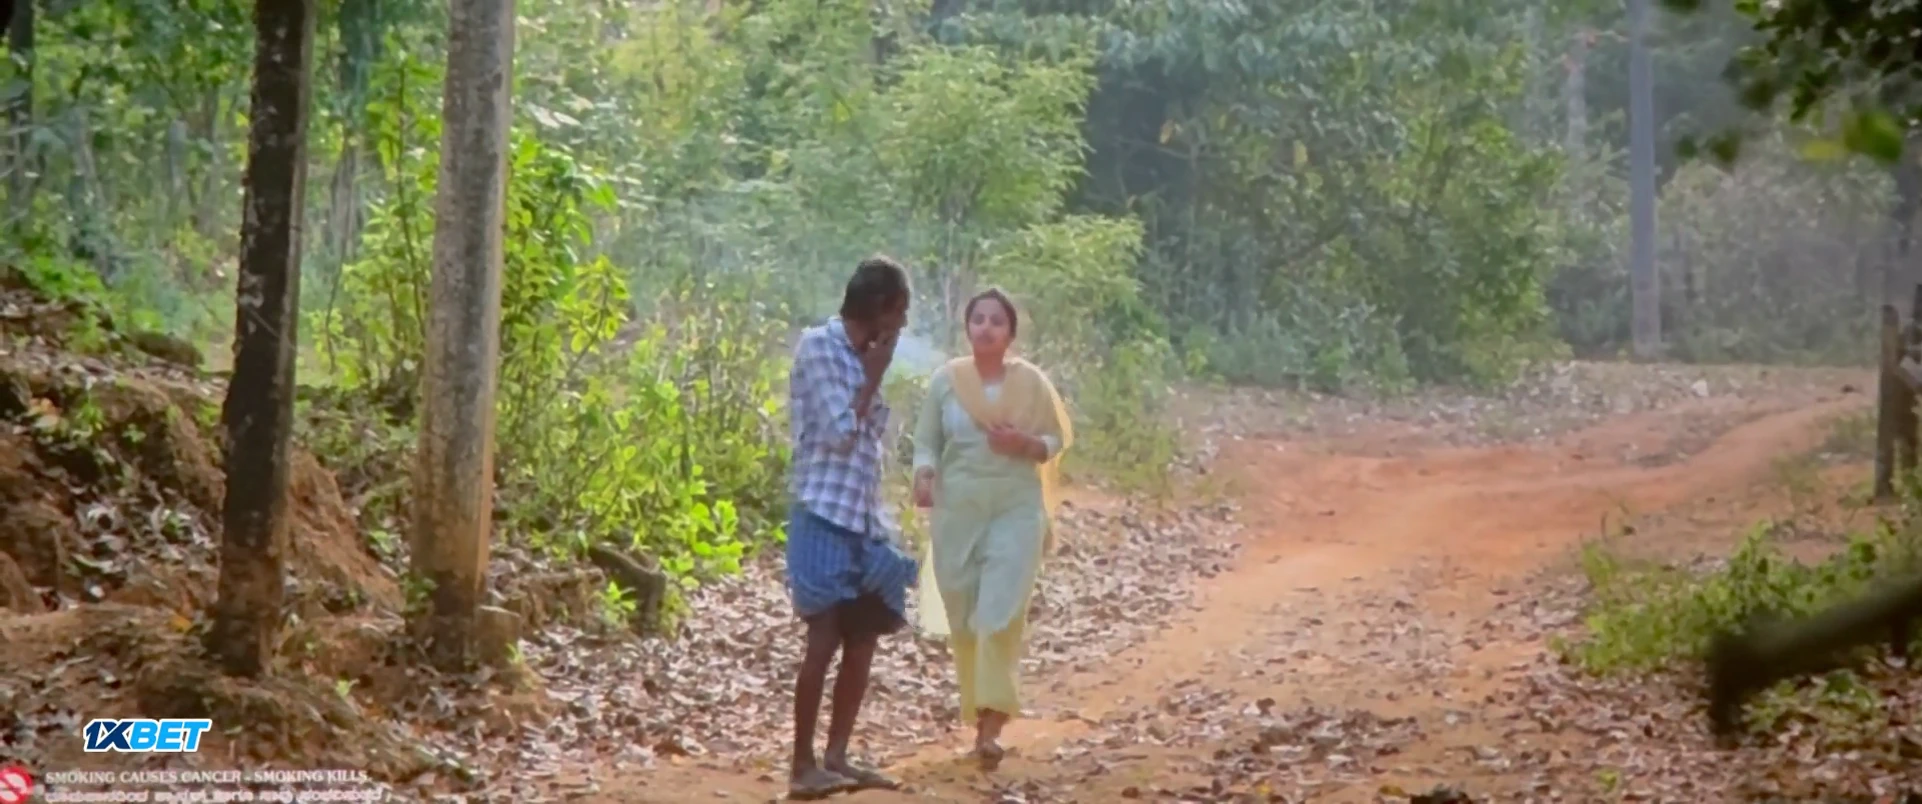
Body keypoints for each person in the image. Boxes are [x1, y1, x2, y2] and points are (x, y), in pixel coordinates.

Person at [911, 287, 1073, 770]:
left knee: (998, 615)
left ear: (1010, 333)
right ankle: (977, 708)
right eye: (978, 319)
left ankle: (990, 726)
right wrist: (924, 474)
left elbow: (1056, 439)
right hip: (958, 510)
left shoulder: (1032, 383)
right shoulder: (946, 381)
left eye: (996, 321)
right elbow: (926, 441)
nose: (986, 328)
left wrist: (1025, 443)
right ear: (967, 327)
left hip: (1015, 507)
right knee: (964, 616)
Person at [783, 256, 918, 799]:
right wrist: (873, 377)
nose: (902, 324)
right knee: (823, 636)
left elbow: (873, 437)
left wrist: (872, 373)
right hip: (822, 512)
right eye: (900, 312)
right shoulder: (819, 347)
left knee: (862, 637)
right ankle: (802, 764)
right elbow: (840, 434)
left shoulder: (865, 356)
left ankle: (836, 755)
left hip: (860, 517)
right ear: (880, 308)